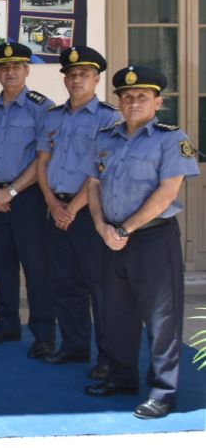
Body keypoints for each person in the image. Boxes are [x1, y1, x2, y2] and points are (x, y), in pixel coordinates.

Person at [83, 66, 199, 419]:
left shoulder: (170, 138)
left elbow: (168, 192)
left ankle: (163, 391)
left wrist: (126, 229)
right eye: (127, 96)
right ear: (118, 101)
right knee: (116, 315)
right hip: (111, 237)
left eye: (142, 96)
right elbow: (93, 187)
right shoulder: (105, 137)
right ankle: (121, 378)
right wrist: (103, 226)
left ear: (157, 101)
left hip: (152, 239)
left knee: (161, 319)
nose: (133, 102)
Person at [36, 46, 119, 379]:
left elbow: (102, 170)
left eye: (83, 74)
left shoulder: (108, 117)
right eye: (70, 74)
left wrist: (72, 207)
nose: (75, 79)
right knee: (64, 283)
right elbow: (42, 163)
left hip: (87, 213)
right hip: (56, 208)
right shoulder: (53, 117)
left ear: (96, 79)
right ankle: (73, 347)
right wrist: (53, 203)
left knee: (98, 287)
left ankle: (108, 357)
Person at [0, 42, 56, 358]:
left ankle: (44, 334)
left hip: (28, 198)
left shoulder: (42, 108)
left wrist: (12, 192)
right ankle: (8, 326)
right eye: (4, 67)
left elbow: (43, 159)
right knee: (3, 265)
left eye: (16, 67)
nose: (9, 72)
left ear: (26, 70)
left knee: (36, 268)